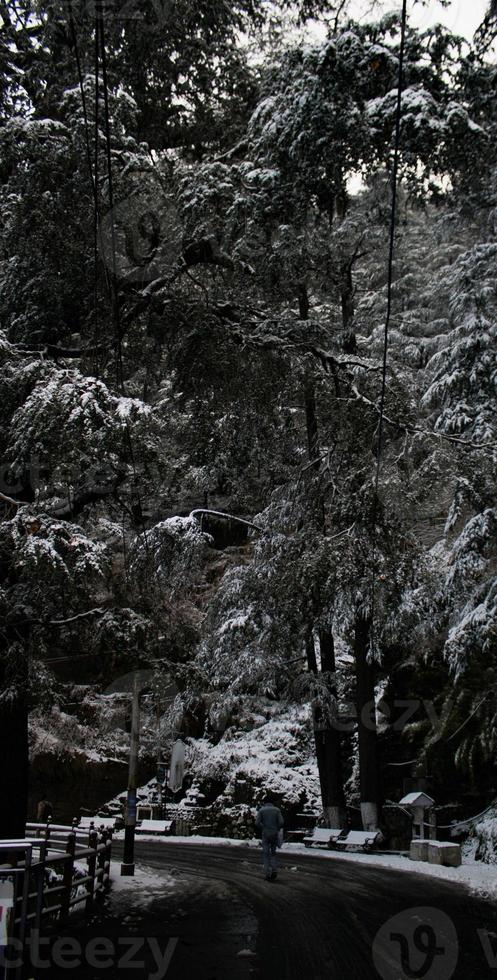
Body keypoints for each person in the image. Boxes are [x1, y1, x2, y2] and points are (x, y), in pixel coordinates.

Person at [256, 795, 284, 881]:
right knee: (273, 853)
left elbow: (257, 823)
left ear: (265, 802)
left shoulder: (261, 810)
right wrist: (277, 828)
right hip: (274, 833)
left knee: (266, 853)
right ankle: (274, 870)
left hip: (265, 833)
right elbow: (281, 822)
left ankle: (267, 873)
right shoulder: (277, 810)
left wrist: (263, 827)